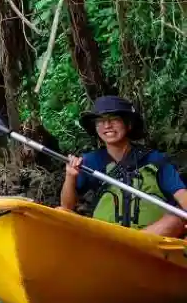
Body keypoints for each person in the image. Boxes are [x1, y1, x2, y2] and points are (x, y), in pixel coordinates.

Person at [61, 95, 187, 237]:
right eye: (101, 121)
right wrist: (70, 176)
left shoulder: (154, 159)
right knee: (61, 212)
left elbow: (182, 196)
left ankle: (133, 244)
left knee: (177, 218)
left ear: (129, 124)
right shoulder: (90, 161)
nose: (107, 125)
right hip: (106, 239)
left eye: (114, 119)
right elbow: (67, 206)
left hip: (150, 241)